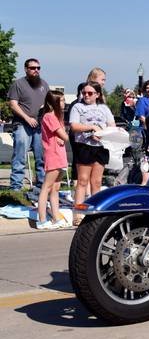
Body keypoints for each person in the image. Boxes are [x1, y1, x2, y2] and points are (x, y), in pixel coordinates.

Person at [69, 81, 116, 225]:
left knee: (96, 181)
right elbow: (74, 126)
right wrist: (91, 128)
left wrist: (101, 133)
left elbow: (111, 125)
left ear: (97, 94)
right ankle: (78, 213)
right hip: (84, 145)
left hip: (100, 146)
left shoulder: (103, 108)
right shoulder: (78, 107)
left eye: (90, 93)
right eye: (84, 93)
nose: (86, 95)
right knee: (82, 180)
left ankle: (96, 212)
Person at [8, 58, 48, 191]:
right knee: (20, 157)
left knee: (41, 158)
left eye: (38, 68)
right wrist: (27, 118)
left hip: (40, 125)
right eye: (32, 68)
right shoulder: (18, 84)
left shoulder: (44, 84)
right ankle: (16, 188)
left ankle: (41, 187)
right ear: (26, 69)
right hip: (22, 125)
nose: (36, 70)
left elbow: (49, 104)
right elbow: (13, 104)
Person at [36, 91, 70, 230]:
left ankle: (56, 217)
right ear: (51, 103)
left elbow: (62, 137)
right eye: (60, 101)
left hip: (60, 155)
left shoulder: (58, 117)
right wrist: (63, 136)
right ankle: (42, 220)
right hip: (53, 155)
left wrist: (62, 137)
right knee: (47, 187)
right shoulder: (49, 117)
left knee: (56, 188)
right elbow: (65, 136)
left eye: (63, 100)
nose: (63, 103)